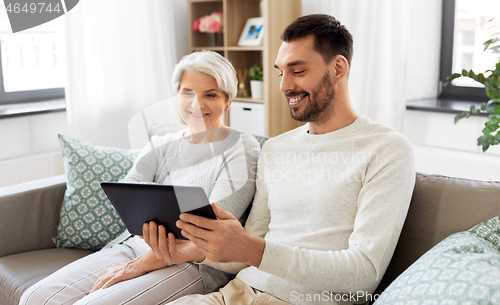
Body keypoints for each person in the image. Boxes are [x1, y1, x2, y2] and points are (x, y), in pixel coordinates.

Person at [164, 14, 416, 305]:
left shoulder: (387, 149)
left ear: (337, 68)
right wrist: (195, 250)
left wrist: (251, 249)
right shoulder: (276, 148)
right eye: (281, 72)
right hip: (237, 293)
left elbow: (364, 273)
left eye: (297, 71)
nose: (284, 86)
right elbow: (250, 247)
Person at [19, 50, 261, 305]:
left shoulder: (242, 148)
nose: (196, 104)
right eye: (187, 92)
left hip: (194, 263)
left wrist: (140, 266)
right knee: (35, 297)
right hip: (135, 246)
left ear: (228, 101)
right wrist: (138, 255)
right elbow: (126, 192)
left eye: (210, 95)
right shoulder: (161, 144)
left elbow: (212, 235)